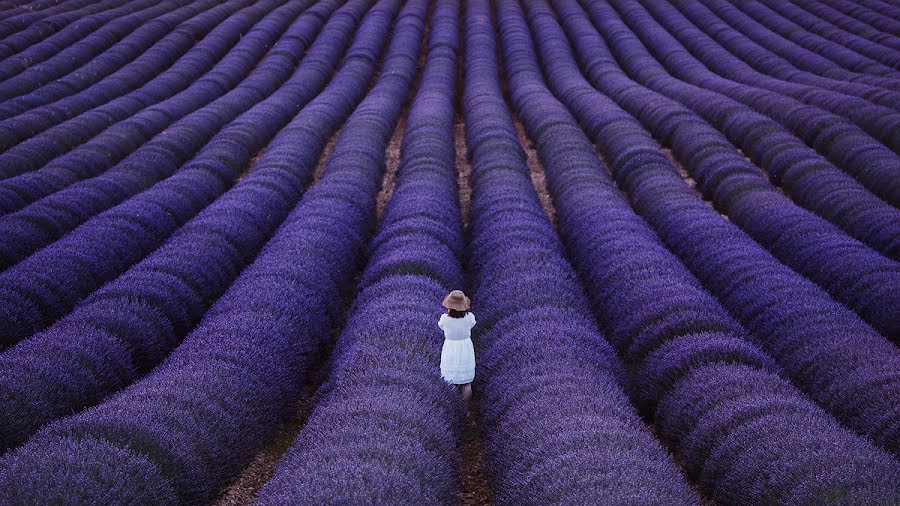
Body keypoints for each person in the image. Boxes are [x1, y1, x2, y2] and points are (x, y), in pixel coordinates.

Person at [438, 290, 476, 402]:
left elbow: (441, 326)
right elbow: (473, 324)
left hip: (450, 348)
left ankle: (454, 409)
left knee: (450, 381)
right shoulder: (470, 317)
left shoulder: (444, 319)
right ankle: (467, 408)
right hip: (465, 348)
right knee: (466, 383)